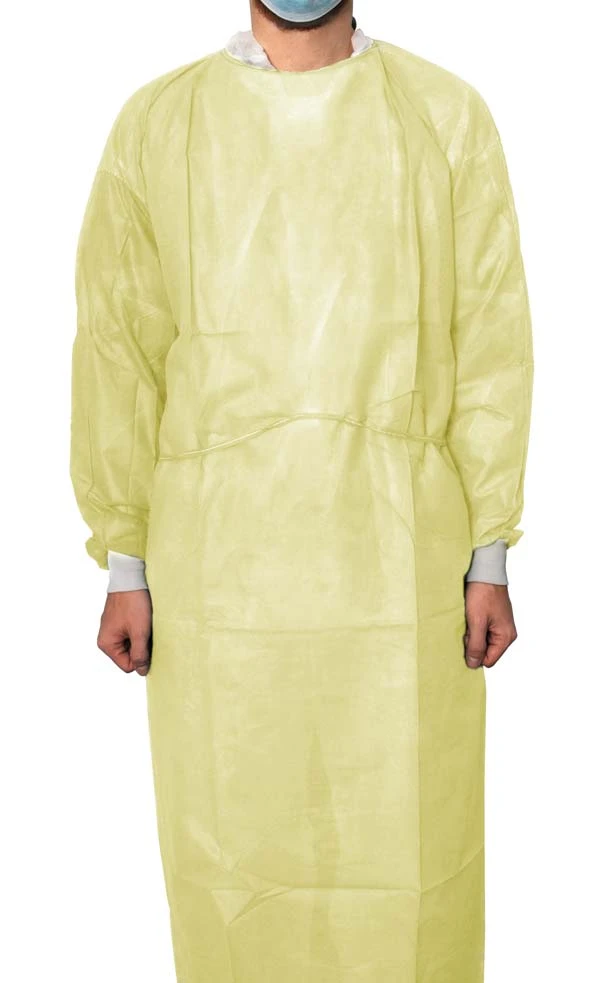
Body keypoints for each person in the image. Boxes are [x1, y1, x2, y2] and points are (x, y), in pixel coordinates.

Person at [69, 1, 534, 980]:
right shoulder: (161, 126)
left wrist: (490, 549)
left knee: (407, 861)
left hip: (399, 569)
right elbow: (120, 350)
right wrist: (125, 558)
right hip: (221, 578)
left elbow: (490, 337)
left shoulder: (441, 116)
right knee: (233, 863)